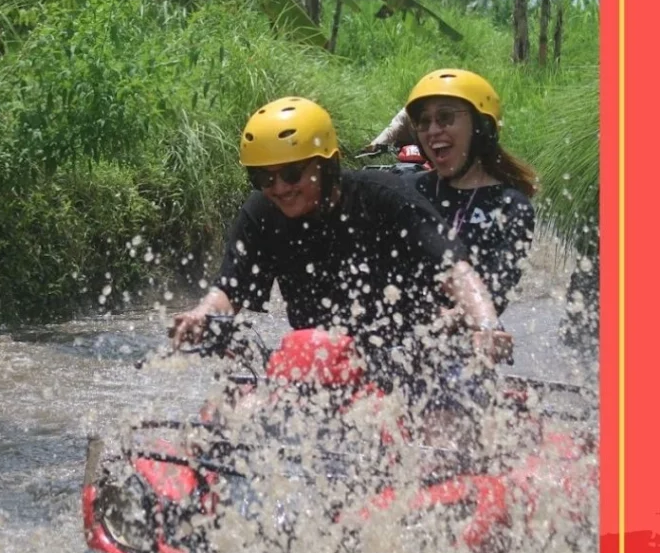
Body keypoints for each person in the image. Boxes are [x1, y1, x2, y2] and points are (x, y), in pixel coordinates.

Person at [170, 97, 511, 388]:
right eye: (263, 177)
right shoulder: (261, 213)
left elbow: (456, 270)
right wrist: (201, 315)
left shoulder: (385, 198)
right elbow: (229, 289)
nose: (279, 187)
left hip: (409, 360)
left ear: (326, 165)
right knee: (238, 411)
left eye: (291, 174)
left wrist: (485, 325)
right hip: (316, 363)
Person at [403, 69, 536, 319]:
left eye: (445, 118)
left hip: (470, 342)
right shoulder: (408, 190)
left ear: (481, 128)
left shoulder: (511, 207)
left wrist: (450, 318)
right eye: (424, 121)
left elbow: (496, 294)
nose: (432, 130)